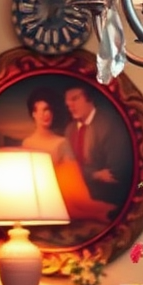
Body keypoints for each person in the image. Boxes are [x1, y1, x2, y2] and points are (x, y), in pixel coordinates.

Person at [22, 88, 112, 225]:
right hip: (32, 199)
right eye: (39, 110)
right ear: (33, 114)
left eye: (48, 109)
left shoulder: (61, 143)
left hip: (58, 199)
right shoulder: (27, 143)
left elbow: (76, 186)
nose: (45, 114)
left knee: (82, 208)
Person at [63, 84, 133, 210]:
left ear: (88, 97)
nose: (70, 106)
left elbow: (115, 174)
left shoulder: (110, 124)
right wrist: (96, 175)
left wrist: (79, 174)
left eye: (74, 99)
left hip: (106, 198)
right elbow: (67, 171)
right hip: (76, 199)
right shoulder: (70, 130)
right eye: (67, 103)